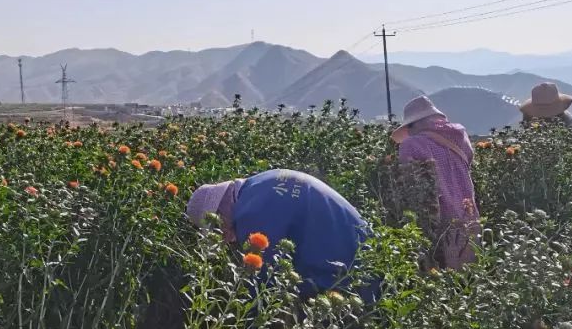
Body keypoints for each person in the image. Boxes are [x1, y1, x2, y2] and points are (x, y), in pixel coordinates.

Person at [185, 169, 372, 298]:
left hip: (349, 269)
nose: (224, 236)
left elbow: (263, 286)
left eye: (217, 227)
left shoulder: (251, 215)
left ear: (219, 213)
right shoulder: (262, 181)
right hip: (364, 242)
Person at [390, 95, 479, 269]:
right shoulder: (459, 135)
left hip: (437, 217)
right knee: (471, 270)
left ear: (415, 124)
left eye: (409, 126)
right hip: (468, 211)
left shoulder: (411, 144)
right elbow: (468, 160)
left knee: (442, 272)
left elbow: (408, 180)